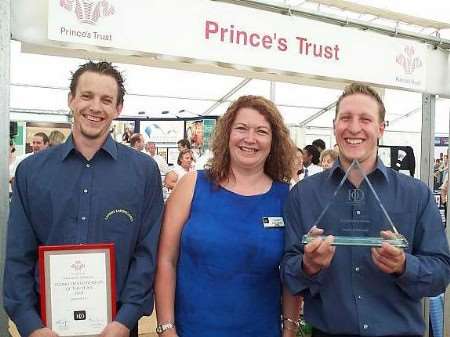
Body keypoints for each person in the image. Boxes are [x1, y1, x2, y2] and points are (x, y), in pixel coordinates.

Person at [4, 61, 164, 337]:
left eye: (106, 100)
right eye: (87, 96)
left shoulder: (143, 171)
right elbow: (19, 255)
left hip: (117, 327)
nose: (95, 107)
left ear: (118, 108)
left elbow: (147, 253)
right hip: (46, 327)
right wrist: (31, 326)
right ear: (71, 100)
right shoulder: (31, 171)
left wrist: (125, 320)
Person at [281, 83, 450, 337]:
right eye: (346, 118)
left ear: (381, 128)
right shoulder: (303, 195)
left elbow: (441, 273)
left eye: (366, 119)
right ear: (334, 125)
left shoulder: (415, 194)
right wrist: (308, 265)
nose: (354, 127)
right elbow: (287, 272)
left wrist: (404, 266)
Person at [155, 95, 301, 337]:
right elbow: (165, 261)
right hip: (191, 330)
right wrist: (165, 328)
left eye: (262, 131)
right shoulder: (192, 185)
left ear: (274, 141)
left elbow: (291, 274)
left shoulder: (286, 198)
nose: (250, 139)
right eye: (241, 128)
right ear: (227, 134)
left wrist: (290, 329)